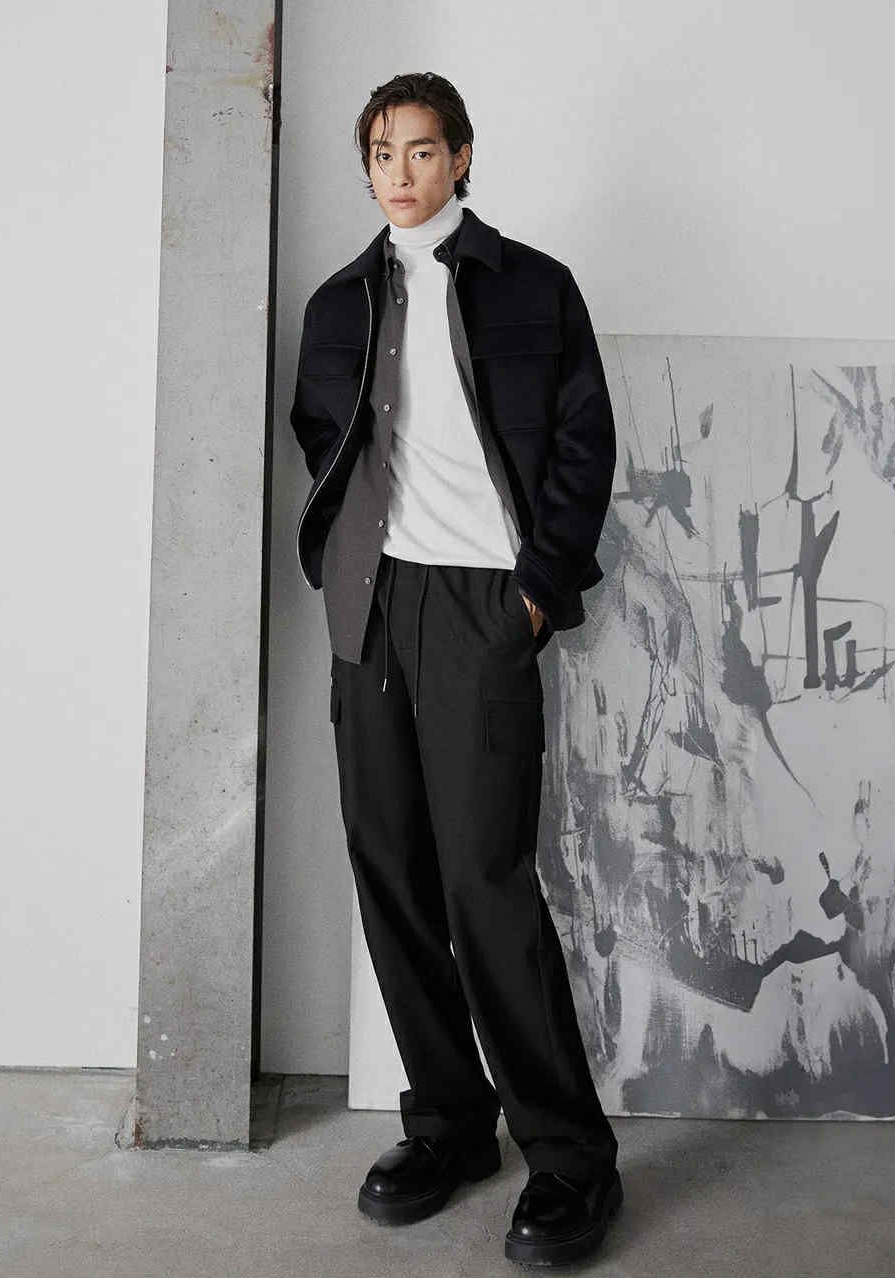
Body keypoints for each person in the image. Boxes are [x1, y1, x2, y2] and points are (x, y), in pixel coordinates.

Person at [290, 70, 621, 1267]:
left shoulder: (533, 287)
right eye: (381, 153)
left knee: (487, 881)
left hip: (486, 605)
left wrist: (535, 586)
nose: (400, 172)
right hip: (373, 605)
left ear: (461, 157)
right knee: (391, 871)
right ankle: (446, 1123)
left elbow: (583, 441)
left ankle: (570, 1157)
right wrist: (347, 556)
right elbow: (322, 435)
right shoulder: (339, 302)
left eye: (421, 150)